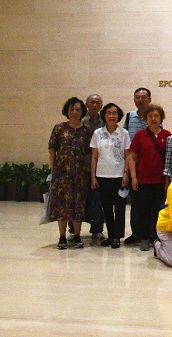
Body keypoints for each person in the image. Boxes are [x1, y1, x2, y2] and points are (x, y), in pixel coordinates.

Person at [48, 97, 92, 249]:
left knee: (78, 204)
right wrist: (53, 171)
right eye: (71, 109)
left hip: (80, 175)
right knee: (62, 205)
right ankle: (62, 236)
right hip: (61, 175)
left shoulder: (86, 131)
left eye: (78, 109)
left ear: (82, 112)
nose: (74, 112)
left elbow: (90, 153)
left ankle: (77, 235)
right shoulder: (59, 128)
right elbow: (52, 150)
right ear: (67, 111)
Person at [129, 104, 172, 251]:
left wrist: (167, 180)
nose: (153, 119)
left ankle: (156, 236)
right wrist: (133, 177)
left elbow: (169, 159)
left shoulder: (167, 135)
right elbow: (132, 157)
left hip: (160, 181)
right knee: (143, 210)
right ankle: (144, 238)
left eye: (156, 116)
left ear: (161, 118)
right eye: (150, 116)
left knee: (158, 210)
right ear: (146, 118)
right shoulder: (140, 135)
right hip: (143, 180)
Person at [90, 103, 131, 249]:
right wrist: (93, 176)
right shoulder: (97, 133)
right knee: (106, 207)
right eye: (109, 113)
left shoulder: (124, 133)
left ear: (118, 116)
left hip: (119, 176)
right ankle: (111, 234)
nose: (112, 116)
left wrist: (126, 173)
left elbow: (128, 156)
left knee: (119, 207)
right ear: (104, 115)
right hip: (102, 175)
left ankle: (117, 236)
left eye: (114, 113)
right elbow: (94, 156)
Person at [67, 93, 105, 241]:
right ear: (86, 105)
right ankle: (73, 230)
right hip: (81, 166)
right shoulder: (80, 122)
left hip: (100, 166)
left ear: (101, 106)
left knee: (98, 200)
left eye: (97, 102)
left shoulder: (105, 122)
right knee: (76, 198)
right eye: (91, 102)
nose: (94, 105)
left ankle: (97, 229)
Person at [123, 87, 152, 245]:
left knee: (150, 202)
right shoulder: (129, 117)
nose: (140, 100)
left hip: (149, 164)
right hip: (133, 162)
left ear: (149, 100)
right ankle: (136, 233)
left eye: (144, 97)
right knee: (135, 202)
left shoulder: (153, 116)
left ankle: (150, 233)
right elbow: (125, 141)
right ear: (134, 99)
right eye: (138, 97)